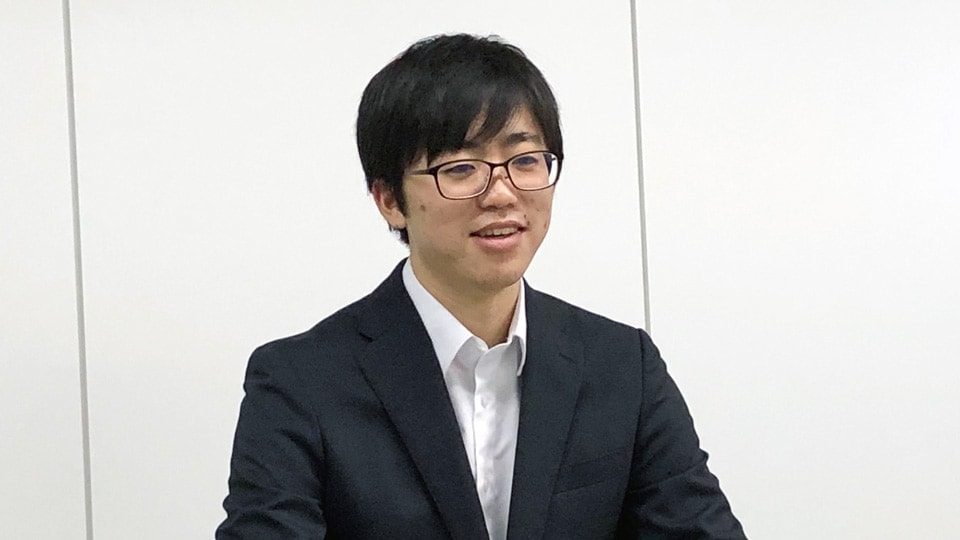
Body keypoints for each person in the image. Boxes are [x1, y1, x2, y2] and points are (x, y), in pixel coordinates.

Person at [217, 34, 744, 539]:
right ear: (389, 199)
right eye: (462, 167)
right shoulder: (300, 383)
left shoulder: (623, 365)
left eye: (525, 161)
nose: (502, 193)